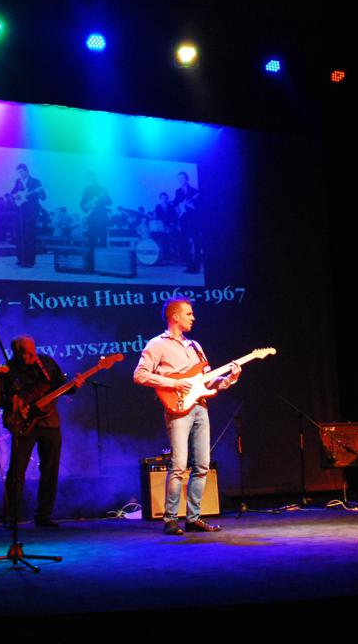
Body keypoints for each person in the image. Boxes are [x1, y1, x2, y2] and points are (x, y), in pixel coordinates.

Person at [133, 297, 240, 534]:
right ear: (175, 317)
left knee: (202, 464)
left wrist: (230, 378)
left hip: (201, 406)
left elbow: (208, 381)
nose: (193, 317)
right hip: (178, 408)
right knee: (179, 464)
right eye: (189, 313)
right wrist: (174, 383)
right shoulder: (157, 344)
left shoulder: (195, 346)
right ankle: (170, 519)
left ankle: (193, 518)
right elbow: (139, 375)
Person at [0, 335, 80, 527]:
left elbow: (62, 387)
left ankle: (44, 515)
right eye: (26, 353)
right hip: (23, 424)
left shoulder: (46, 363)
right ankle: (11, 516)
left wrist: (74, 386)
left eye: (33, 351)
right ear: (16, 353)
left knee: (50, 470)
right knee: (17, 470)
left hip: (49, 421)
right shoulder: (7, 371)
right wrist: (12, 402)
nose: (32, 356)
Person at [9, 164, 44, 267]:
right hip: (20, 212)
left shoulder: (35, 181)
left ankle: (29, 261)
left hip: (31, 212)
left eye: (22, 172)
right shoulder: (18, 182)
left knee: (29, 235)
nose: (20, 174)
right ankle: (20, 259)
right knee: (19, 235)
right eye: (19, 172)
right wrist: (15, 196)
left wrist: (40, 192)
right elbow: (12, 193)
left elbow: (43, 197)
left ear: (27, 171)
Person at [174, 172, 201, 273]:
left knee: (195, 241)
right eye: (180, 178)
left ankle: (196, 266)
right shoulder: (177, 191)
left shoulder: (195, 191)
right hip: (183, 219)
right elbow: (175, 204)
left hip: (193, 219)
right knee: (184, 241)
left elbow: (199, 206)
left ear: (187, 178)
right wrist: (178, 208)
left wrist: (191, 205)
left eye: (183, 178)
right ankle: (189, 266)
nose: (181, 180)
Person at [80, 172, 111, 250]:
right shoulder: (86, 190)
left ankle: (101, 256)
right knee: (91, 243)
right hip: (92, 220)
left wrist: (104, 197)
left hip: (101, 219)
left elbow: (109, 202)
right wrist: (89, 204)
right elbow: (82, 205)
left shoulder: (102, 189)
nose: (92, 180)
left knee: (103, 242)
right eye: (90, 179)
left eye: (92, 178)